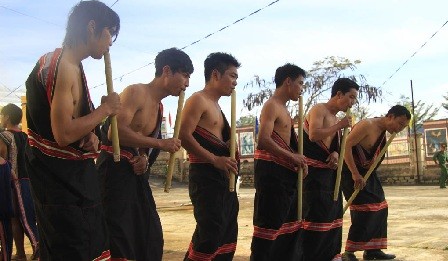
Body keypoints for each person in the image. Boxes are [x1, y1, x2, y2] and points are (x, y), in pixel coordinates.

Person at [24, 0, 121, 260]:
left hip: (74, 185)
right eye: (109, 33)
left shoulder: (72, 65)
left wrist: (91, 135)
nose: (110, 42)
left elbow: (73, 130)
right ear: (91, 27)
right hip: (60, 188)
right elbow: (63, 133)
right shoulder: (62, 66)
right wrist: (105, 110)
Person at [96, 47, 194, 260]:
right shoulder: (135, 92)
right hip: (112, 175)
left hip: (135, 178)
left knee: (149, 235)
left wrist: (143, 159)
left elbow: (140, 147)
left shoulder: (158, 107)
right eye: (185, 76)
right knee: (120, 237)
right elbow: (116, 132)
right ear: (167, 71)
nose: (187, 83)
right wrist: (160, 143)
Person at [179, 52, 241, 261]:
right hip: (206, 177)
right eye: (232, 76)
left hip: (223, 179)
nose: (235, 82)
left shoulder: (217, 105)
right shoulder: (198, 99)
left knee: (226, 231)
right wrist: (214, 159)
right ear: (215, 74)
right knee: (210, 233)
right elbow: (183, 136)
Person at [250, 63, 308, 261]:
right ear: (288, 81)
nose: (302, 88)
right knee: (270, 224)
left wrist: (299, 162)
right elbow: (264, 140)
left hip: (284, 175)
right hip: (272, 175)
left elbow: (289, 145)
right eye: (300, 83)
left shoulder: (284, 109)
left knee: (286, 223)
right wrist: (292, 157)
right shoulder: (272, 105)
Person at [341, 105, 411, 261]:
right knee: (365, 208)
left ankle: (373, 250)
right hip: (351, 172)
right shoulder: (367, 125)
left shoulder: (384, 133)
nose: (399, 128)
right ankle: (349, 252)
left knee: (381, 206)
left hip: (369, 174)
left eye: (403, 126)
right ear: (390, 116)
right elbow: (346, 145)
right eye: (399, 123)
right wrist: (355, 173)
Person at [302, 78, 359, 261]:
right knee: (317, 215)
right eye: (351, 97)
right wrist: (340, 125)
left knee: (332, 214)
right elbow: (314, 135)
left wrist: (335, 152)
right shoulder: (320, 109)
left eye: (355, 99)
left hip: (330, 176)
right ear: (339, 94)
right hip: (313, 176)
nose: (353, 102)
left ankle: (332, 254)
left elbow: (332, 144)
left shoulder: (336, 118)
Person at [0, 104, 39, 260]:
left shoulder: (4, 137)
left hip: (13, 181)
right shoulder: (25, 136)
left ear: (7, 117)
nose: (1, 118)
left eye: (2, 115)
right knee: (18, 217)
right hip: (28, 180)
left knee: (19, 217)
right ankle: (21, 253)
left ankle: (37, 247)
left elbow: (2, 159)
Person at [0, 156, 13, 261]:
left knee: (5, 245)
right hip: (5, 213)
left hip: (3, 213)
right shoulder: (7, 165)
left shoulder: (5, 165)